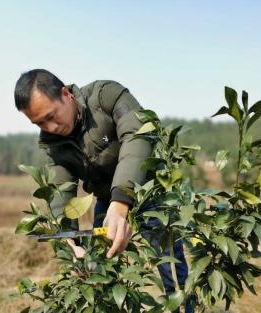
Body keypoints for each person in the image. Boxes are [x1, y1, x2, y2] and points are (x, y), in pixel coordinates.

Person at [14, 69, 193, 313]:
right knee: (100, 269)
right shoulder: (53, 143)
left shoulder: (106, 96)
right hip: (107, 200)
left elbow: (138, 136)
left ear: (66, 94)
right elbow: (60, 190)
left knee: (171, 267)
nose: (51, 127)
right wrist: (69, 238)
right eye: (40, 123)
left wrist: (121, 201)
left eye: (51, 116)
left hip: (149, 193)